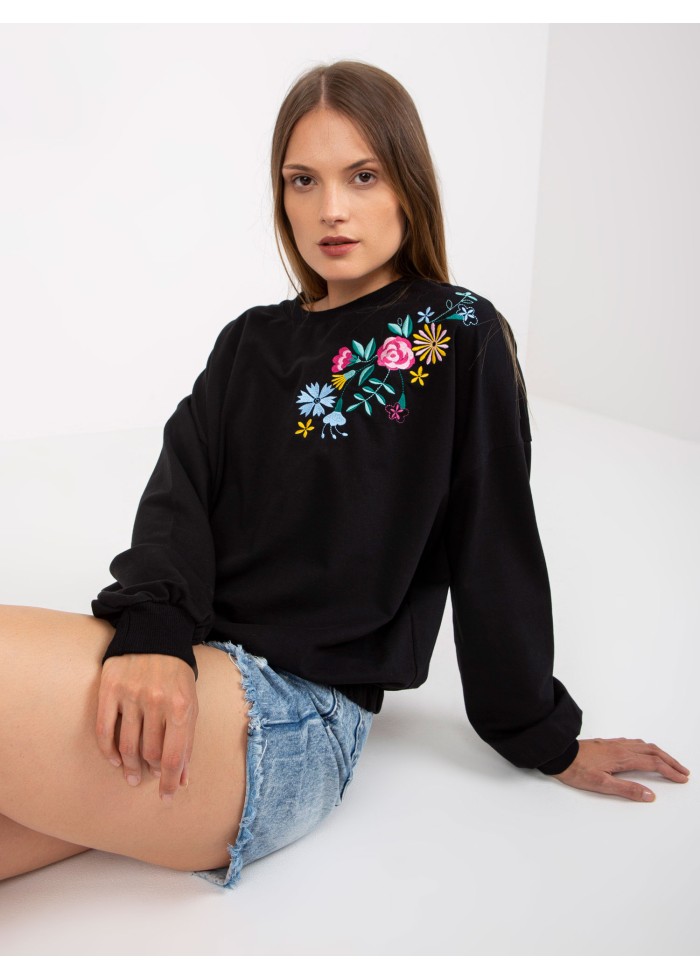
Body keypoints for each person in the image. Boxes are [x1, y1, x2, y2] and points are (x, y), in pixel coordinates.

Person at [0, 60, 689, 888]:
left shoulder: (455, 332)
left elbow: (494, 540)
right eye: (304, 180)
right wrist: (154, 632)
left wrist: (543, 735)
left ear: (407, 184)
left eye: (362, 175)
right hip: (185, 669)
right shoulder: (249, 341)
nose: (331, 208)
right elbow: (177, 500)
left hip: (290, 713)